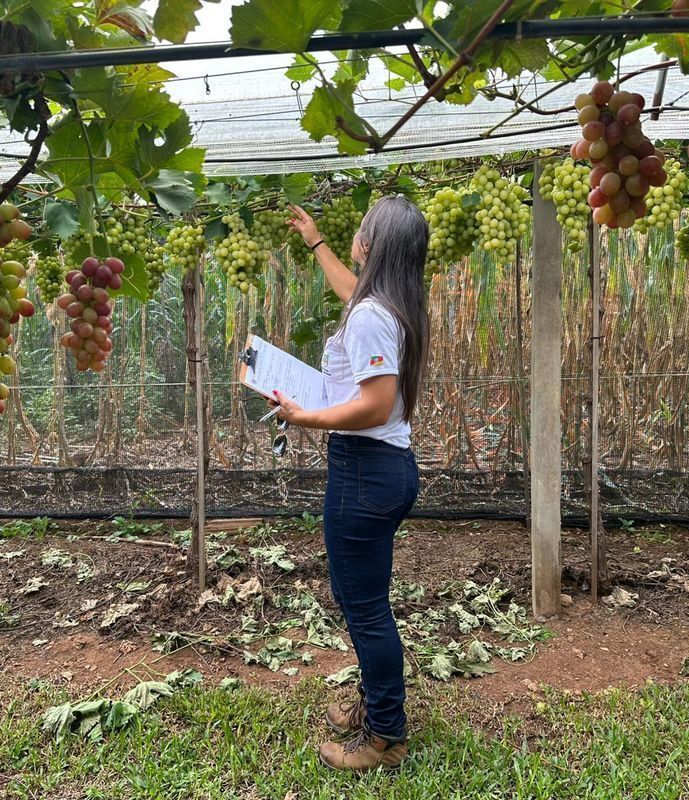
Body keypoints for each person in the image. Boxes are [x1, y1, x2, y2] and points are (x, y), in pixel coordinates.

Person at [271, 196, 429, 772]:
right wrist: (315, 240)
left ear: (373, 244)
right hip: (385, 468)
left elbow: (375, 404)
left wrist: (302, 416)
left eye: (360, 228)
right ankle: (377, 707)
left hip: (364, 471)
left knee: (364, 610)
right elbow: (349, 290)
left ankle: (386, 736)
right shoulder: (391, 305)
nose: (355, 235)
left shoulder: (371, 317)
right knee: (366, 604)